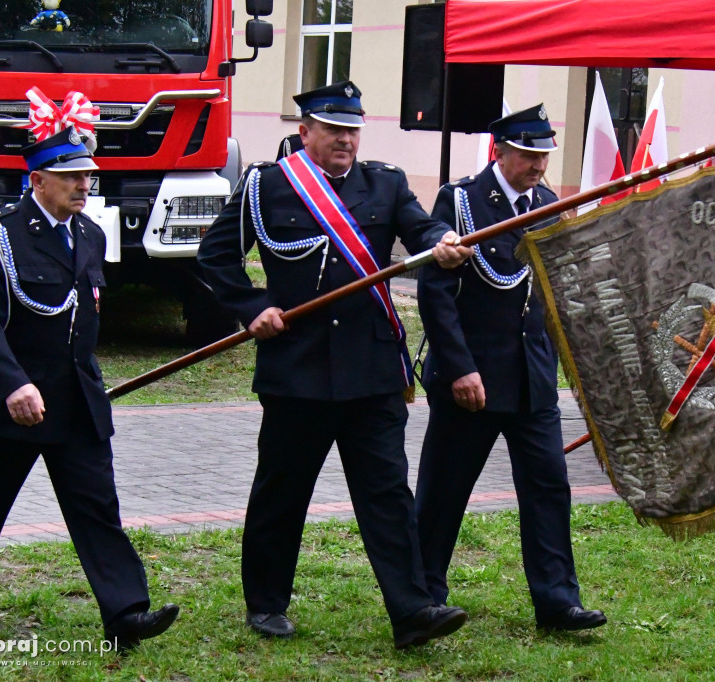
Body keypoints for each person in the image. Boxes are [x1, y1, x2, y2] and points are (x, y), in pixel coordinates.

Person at [198, 81, 472, 649]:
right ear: (306, 133)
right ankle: (267, 603)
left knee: (388, 493)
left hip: (370, 372)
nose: (345, 140)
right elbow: (214, 258)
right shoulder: (266, 186)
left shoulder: (386, 183)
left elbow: (418, 229)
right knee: (283, 491)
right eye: (333, 130)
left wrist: (441, 237)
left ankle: (412, 609)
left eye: (352, 130)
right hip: (296, 370)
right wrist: (252, 308)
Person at [0, 126, 178, 650]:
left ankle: (126, 613)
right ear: (37, 179)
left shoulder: (90, 234)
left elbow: (83, 318)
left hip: (76, 399)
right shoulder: (0, 232)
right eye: (70, 176)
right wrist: (14, 383)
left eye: (86, 174)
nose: (83, 184)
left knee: (96, 506)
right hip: (14, 401)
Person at [414, 104, 607, 632]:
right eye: (528, 154)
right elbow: (436, 293)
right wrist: (458, 369)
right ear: (501, 150)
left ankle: (558, 601)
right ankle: (424, 595)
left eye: (544, 155)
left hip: (531, 380)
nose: (538, 165)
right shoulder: (462, 201)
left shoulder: (547, 206)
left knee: (549, 488)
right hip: (471, 380)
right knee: (443, 492)